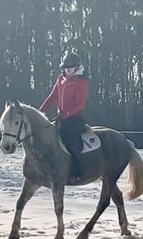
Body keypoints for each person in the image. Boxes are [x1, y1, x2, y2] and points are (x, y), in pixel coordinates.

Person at [39, 52, 89, 181]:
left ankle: (76, 169)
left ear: (77, 67)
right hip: (62, 117)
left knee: (70, 140)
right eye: (66, 67)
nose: (68, 70)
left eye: (71, 67)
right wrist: (40, 111)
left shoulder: (81, 82)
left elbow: (80, 104)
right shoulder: (60, 79)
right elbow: (53, 96)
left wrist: (66, 114)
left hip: (75, 118)